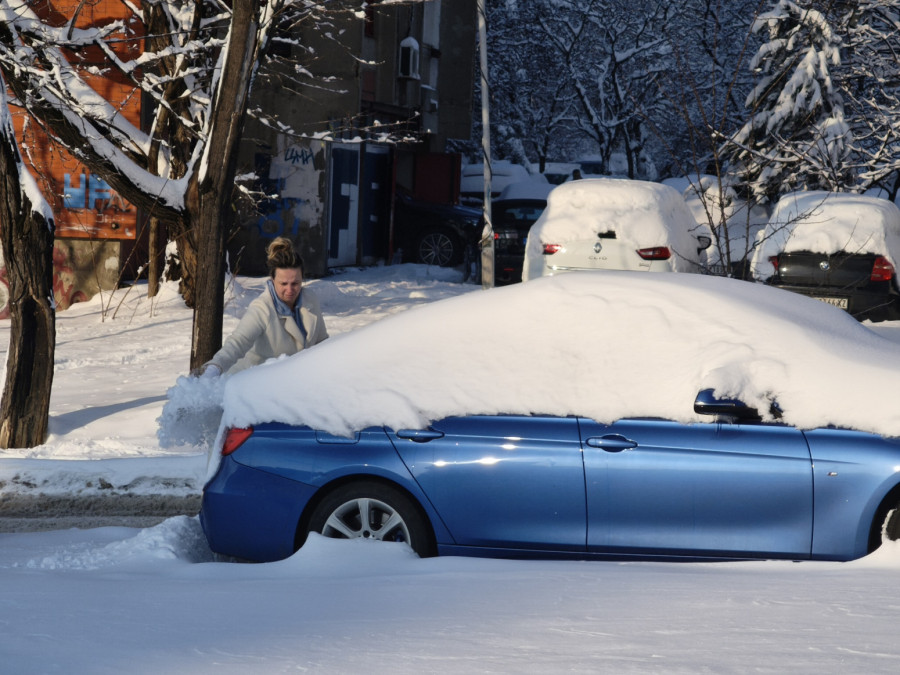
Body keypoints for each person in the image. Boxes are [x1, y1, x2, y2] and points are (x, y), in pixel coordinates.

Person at [195, 237, 328, 377]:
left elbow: (322, 344)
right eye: (283, 284)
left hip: (293, 384)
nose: (290, 290)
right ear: (272, 280)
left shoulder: (310, 300)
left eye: (295, 283)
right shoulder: (262, 308)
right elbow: (238, 342)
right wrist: (215, 367)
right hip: (252, 384)